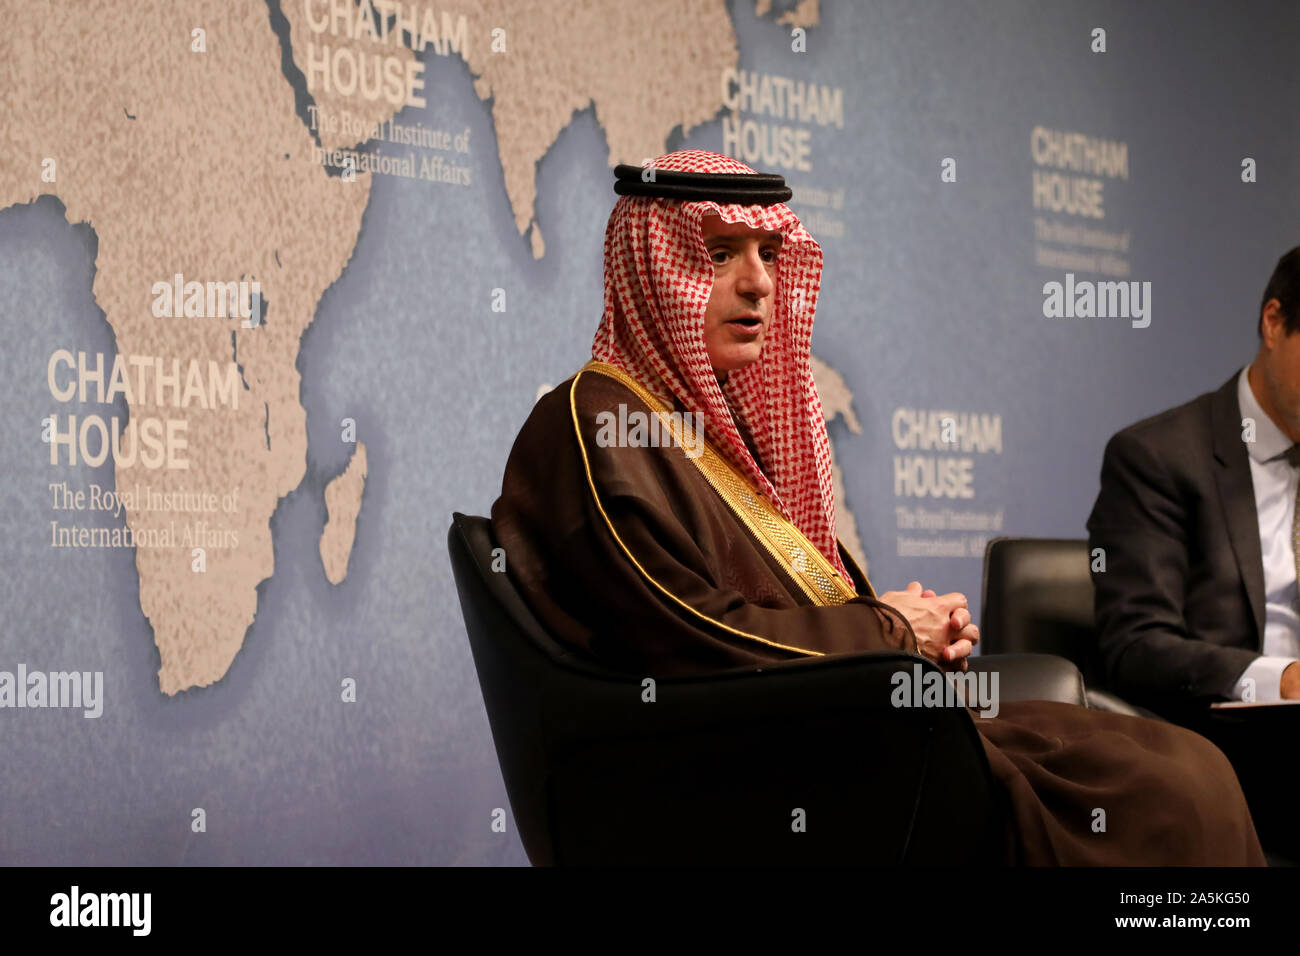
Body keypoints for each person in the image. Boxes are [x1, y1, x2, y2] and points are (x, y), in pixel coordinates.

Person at [491, 148, 1265, 865]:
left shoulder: (703, 427)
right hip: (738, 772)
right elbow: (692, 639)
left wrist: (911, 636)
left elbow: (786, 603)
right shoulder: (599, 422)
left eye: (768, 254)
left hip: (818, 731)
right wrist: (890, 631)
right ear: (654, 272)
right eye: (720, 254)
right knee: (1169, 794)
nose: (759, 281)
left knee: (1183, 766)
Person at [1087, 245, 1300, 853]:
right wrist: (1280, 678)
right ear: (1275, 322)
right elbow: (1136, 643)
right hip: (1230, 752)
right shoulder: (1158, 457)